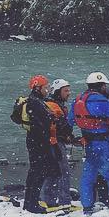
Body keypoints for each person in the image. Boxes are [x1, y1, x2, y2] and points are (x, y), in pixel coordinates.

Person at [68, 71, 109, 216]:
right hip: (102, 142)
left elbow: (70, 121)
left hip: (88, 142)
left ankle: (87, 206)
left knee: (88, 176)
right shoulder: (102, 101)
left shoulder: (78, 100)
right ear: (102, 85)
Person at [17, 74, 58, 215]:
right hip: (38, 141)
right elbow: (42, 124)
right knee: (38, 172)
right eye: (45, 87)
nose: (47, 90)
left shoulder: (34, 101)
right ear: (38, 88)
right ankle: (32, 203)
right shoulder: (36, 102)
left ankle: (30, 202)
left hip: (34, 139)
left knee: (35, 171)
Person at [41, 78, 75, 209]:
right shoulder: (54, 106)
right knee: (62, 172)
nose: (69, 93)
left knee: (52, 171)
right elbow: (63, 127)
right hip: (54, 143)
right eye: (66, 90)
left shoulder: (51, 104)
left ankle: (47, 199)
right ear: (57, 92)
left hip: (48, 142)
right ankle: (64, 201)